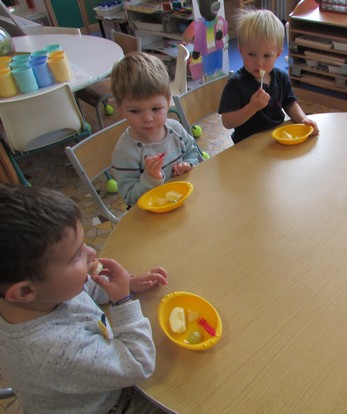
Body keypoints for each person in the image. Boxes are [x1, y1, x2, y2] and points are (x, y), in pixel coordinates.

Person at [0, 184, 169, 414]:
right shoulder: (55, 352)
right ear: (24, 292)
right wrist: (122, 301)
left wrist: (126, 283)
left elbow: (81, 288)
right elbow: (138, 363)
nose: (91, 253)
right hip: (113, 404)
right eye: (76, 255)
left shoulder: (40, 295)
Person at [111, 52, 204, 206]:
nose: (147, 119)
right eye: (135, 111)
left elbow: (192, 152)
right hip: (151, 215)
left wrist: (187, 164)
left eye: (156, 108)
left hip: (183, 202)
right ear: (121, 109)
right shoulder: (125, 152)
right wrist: (150, 178)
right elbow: (130, 198)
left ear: (168, 102)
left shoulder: (175, 129)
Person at [218, 9, 319, 144]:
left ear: (277, 54)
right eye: (251, 54)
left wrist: (302, 119)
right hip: (247, 145)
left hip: (276, 139)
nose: (259, 63)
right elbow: (227, 122)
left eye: (266, 56)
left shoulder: (281, 77)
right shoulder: (236, 84)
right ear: (241, 51)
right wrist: (252, 107)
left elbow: (290, 104)